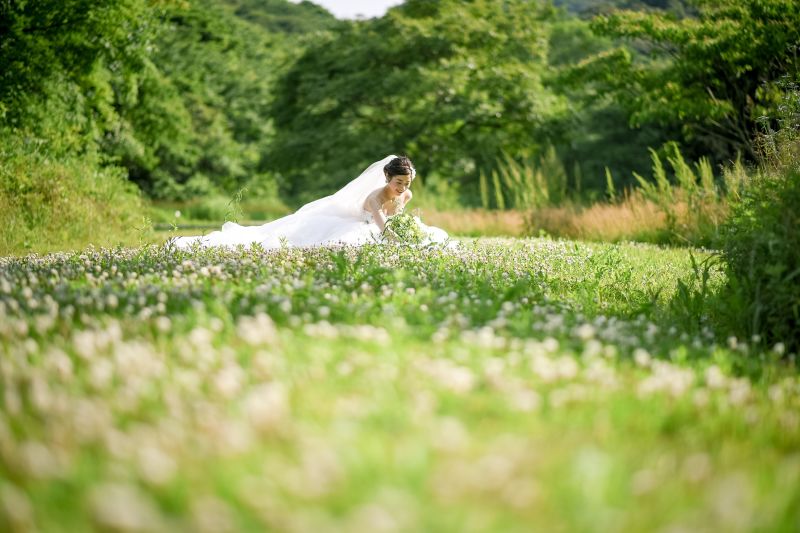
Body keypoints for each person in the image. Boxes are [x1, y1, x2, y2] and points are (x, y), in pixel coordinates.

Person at [169, 155, 451, 250]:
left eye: (407, 183)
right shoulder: (373, 197)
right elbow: (382, 227)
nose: (402, 188)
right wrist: (393, 236)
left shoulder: (407, 195)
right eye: (398, 182)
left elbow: (396, 220)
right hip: (365, 226)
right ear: (387, 177)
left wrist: (404, 228)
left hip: (381, 228)